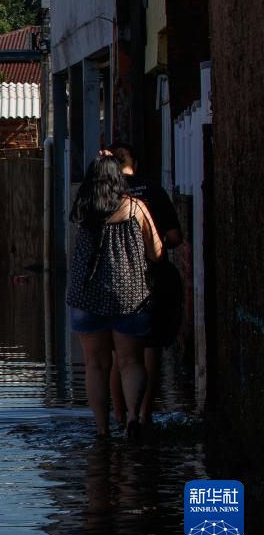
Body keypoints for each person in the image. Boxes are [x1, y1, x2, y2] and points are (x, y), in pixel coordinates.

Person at [67, 156, 163, 440]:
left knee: (95, 365)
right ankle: (133, 416)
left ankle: (102, 429)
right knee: (131, 361)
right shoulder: (136, 208)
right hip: (129, 296)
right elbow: (156, 252)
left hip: (87, 297)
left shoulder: (84, 211)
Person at [107, 142, 184, 426]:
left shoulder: (105, 195)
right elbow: (175, 237)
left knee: (120, 355)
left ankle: (118, 416)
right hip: (154, 277)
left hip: (116, 281)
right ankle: (143, 416)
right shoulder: (151, 191)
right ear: (134, 164)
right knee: (151, 349)